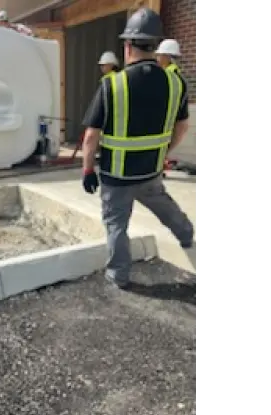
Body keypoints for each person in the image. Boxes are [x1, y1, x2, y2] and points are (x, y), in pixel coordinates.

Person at [80, 8, 195, 289]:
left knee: (116, 225)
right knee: (164, 206)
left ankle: (119, 275)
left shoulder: (112, 85)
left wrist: (87, 170)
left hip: (116, 176)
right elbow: (182, 127)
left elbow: (91, 135)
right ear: (155, 46)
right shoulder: (175, 82)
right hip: (151, 170)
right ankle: (186, 234)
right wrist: (164, 152)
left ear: (128, 45)